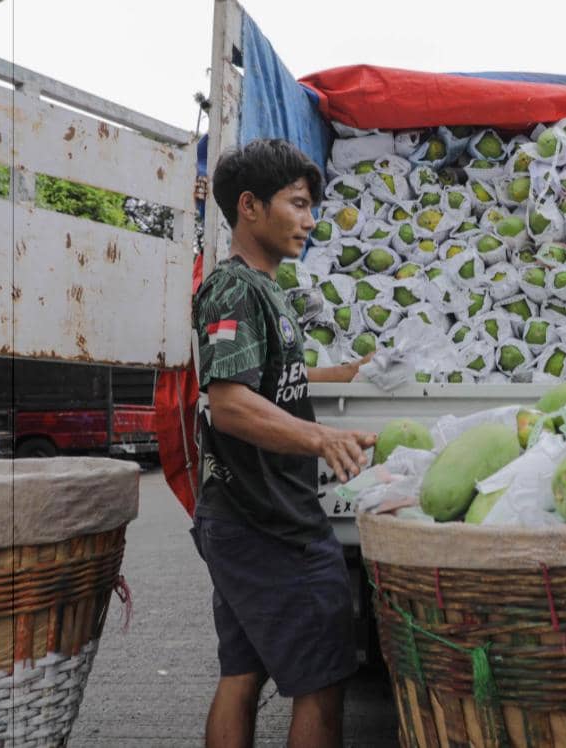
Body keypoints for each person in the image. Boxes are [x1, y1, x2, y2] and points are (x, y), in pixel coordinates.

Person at [192, 138, 376, 748]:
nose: (310, 219)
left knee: (242, 675)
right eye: (297, 204)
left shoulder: (266, 289)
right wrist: (322, 437)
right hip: (267, 522)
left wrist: (343, 375)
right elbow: (229, 402)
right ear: (249, 206)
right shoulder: (233, 289)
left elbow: (268, 376)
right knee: (322, 683)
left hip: (248, 516)